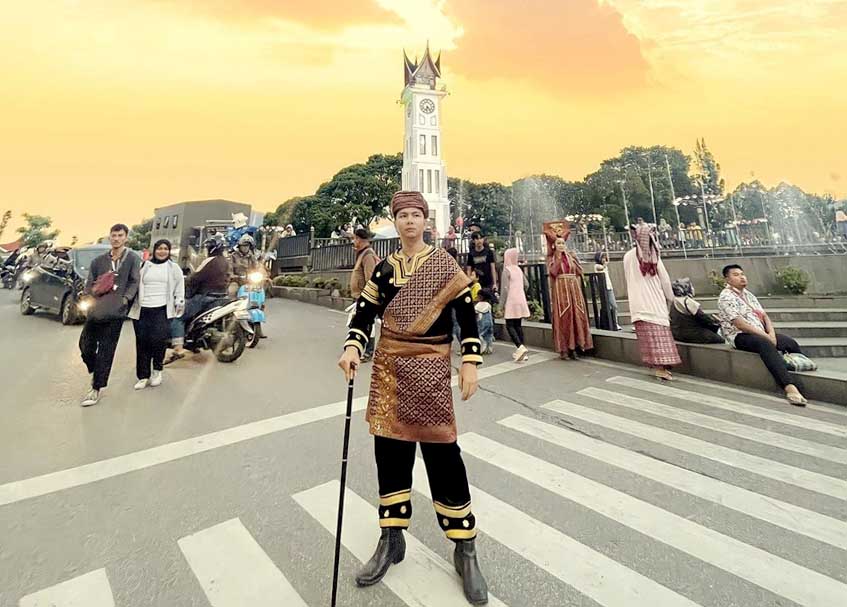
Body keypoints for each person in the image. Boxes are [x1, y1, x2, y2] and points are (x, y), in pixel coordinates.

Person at [337, 190, 488, 605]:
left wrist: (470, 361)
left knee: (444, 456)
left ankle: (464, 546)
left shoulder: (444, 264)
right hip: (389, 368)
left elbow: (466, 314)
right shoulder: (386, 269)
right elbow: (365, 311)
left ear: (425, 221)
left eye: (414, 215)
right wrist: (353, 346)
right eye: (402, 215)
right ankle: (391, 537)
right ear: (396, 222)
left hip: (431, 368)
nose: (408, 221)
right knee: (390, 453)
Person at [717, 264, 808, 405]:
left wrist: (771, 334)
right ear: (727, 279)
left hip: (761, 332)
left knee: (789, 343)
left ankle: (799, 371)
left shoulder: (748, 295)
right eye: (736, 275)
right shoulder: (726, 297)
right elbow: (740, 324)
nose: (742, 277)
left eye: (742, 274)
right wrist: (767, 337)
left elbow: (765, 316)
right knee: (765, 345)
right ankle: (789, 387)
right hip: (740, 336)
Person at [78, 224, 141, 407]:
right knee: (85, 345)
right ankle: (95, 369)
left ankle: (96, 388)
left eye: (120, 235)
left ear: (126, 237)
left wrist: (125, 299)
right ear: (109, 237)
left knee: (106, 350)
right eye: (114, 235)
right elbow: (89, 283)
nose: (116, 239)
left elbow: (134, 281)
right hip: (96, 310)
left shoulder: (132, 258)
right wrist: (87, 296)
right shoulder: (98, 261)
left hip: (115, 312)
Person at [623, 223, 681, 381]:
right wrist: (671, 298)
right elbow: (665, 281)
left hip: (637, 303)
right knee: (659, 336)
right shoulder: (654, 257)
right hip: (654, 302)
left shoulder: (628, 256)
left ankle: (657, 366)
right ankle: (661, 368)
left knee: (648, 339)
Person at [165, 234, 231, 364]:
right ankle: (193, 343)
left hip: (206, 296)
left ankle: (178, 348)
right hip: (222, 296)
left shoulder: (209, 260)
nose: (207, 249)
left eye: (208, 247)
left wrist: (185, 281)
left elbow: (195, 278)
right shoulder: (225, 261)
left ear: (212, 248)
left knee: (178, 315)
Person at [129, 240, 185, 390]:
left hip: (162, 309)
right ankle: (143, 376)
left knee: (158, 341)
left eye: (165, 249)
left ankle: (157, 370)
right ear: (154, 250)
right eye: (159, 248)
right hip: (143, 309)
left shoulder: (173, 268)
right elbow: (135, 283)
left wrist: (179, 302)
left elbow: (179, 287)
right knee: (142, 343)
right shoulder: (145, 265)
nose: (162, 251)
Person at [545, 226, 593, 360]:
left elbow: (579, 271)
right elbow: (553, 272)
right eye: (558, 243)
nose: (561, 245)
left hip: (573, 288)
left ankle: (577, 346)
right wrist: (558, 258)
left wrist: (576, 259)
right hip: (561, 289)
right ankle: (564, 349)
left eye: (563, 243)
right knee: (564, 317)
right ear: (554, 245)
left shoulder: (570, 256)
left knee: (577, 315)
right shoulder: (551, 258)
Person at [349, 228, 381, 362]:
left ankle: (368, 351)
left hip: (365, 296)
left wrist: (368, 297)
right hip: (359, 295)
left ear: (360, 239)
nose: (353, 241)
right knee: (357, 323)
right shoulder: (361, 253)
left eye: (355, 238)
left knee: (368, 324)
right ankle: (356, 348)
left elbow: (370, 278)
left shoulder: (368, 255)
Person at [670, 278, 723, 344]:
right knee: (719, 339)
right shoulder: (687, 301)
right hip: (691, 333)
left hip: (677, 334)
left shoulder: (674, 301)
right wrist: (715, 322)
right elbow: (703, 318)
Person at [500, 247, 530, 361]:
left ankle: (520, 347)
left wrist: (501, 305)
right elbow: (526, 284)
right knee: (518, 325)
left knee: (509, 325)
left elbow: (505, 289)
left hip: (511, 300)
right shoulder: (518, 269)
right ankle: (522, 350)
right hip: (520, 299)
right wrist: (520, 292)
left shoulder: (506, 270)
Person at [593, 250, 620, 331]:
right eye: (602, 258)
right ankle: (612, 323)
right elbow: (601, 268)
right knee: (611, 306)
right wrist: (605, 263)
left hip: (609, 288)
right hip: (604, 288)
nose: (604, 259)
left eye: (604, 258)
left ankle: (614, 322)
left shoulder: (604, 266)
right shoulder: (596, 266)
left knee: (613, 306)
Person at [475, 288, 495, 354]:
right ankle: (489, 349)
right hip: (489, 322)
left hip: (481, 323)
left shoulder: (478, 305)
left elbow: (476, 313)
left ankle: (482, 348)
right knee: (489, 335)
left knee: (480, 335)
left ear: (481, 297)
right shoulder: (488, 305)